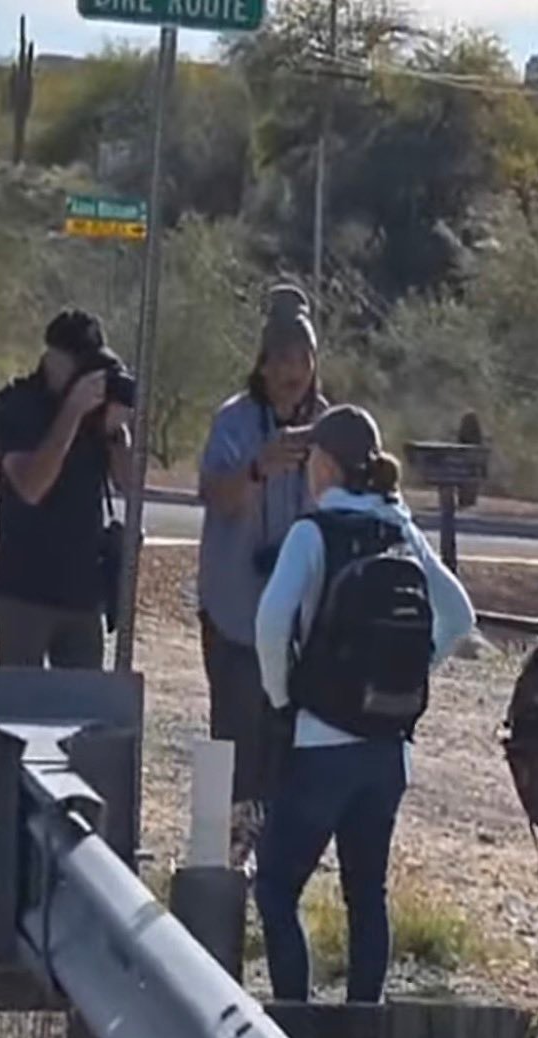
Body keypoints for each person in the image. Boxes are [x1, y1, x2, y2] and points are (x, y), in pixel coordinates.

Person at [254, 405, 475, 1003]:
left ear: (323, 465)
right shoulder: (399, 531)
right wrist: (408, 672)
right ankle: (363, 1032)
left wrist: (285, 698)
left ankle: (296, 1031)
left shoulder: (313, 533)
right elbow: (460, 617)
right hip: (387, 751)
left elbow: (271, 623)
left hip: (322, 744)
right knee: (365, 895)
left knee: (276, 888)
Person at [197, 285, 327, 873]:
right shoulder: (234, 421)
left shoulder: (329, 426)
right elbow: (217, 496)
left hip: (299, 619)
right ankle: (219, 853)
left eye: (301, 360)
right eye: (280, 360)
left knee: (288, 735)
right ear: (263, 365)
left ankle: (274, 853)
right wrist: (259, 466)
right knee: (233, 729)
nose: (291, 372)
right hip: (235, 610)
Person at [0, 309, 133, 668]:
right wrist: (71, 411)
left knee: (79, 711)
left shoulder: (95, 417)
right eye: (81, 365)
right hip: (24, 589)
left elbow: (129, 484)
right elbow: (32, 486)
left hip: (82, 591)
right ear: (52, 358)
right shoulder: (16, 404)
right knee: (18, 712)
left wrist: (115, 432)